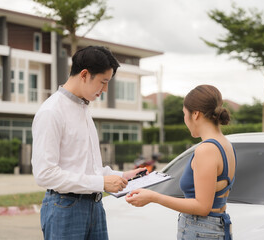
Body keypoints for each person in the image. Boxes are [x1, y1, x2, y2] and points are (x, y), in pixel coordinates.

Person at [31, 46, 146, 240]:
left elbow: (86, 167)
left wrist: (123, 176)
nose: (105, 89)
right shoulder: (51, 112)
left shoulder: (83, 108)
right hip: (65, 207)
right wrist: (101, 182)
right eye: (103, 82)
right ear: (84, 74)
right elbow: (45, 174)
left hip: (94, 206)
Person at [126, 85, 237, 240]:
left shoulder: (206, 150)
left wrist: (154, 197)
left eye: (185, 114)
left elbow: (202, 207)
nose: (185, 120)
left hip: (201, 230)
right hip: (215, 227)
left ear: (196, 114)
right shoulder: (226, 144)